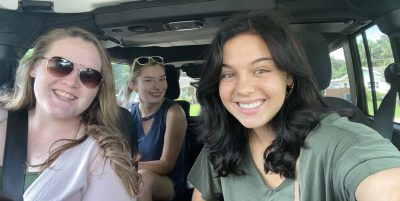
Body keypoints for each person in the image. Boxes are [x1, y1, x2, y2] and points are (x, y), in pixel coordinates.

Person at [188, 12, 400, 201]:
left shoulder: (340, 142)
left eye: (261, 70)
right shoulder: (221, 143)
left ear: (288, 76)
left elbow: (385, 184)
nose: (243, 88)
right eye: (228, 74)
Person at [0, 27, 141, 201]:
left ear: (98, 89)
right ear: (34, 67)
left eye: (89, 75)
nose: (72, 82)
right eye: (60, 65)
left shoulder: (100, 157)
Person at [119, 56, 187, 201]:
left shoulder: (174, 112)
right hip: (134, 176)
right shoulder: (129, 113)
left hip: (169, 184)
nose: (158, 86)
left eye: (162, 79)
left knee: (143, 180)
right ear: (133, 85)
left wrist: (127, 165)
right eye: (149, 80)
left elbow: (166, 165)